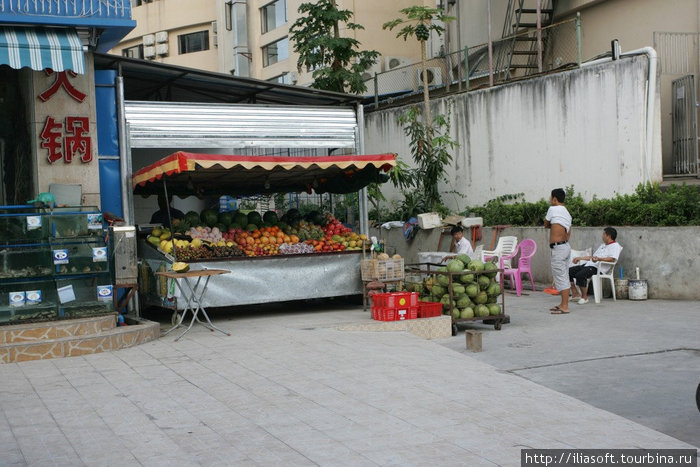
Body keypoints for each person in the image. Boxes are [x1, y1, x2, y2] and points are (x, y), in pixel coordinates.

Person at [569, 227, 622, 304]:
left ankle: (584, 297)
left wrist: (599, 259)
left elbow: (612, 259)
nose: (602, 236)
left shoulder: (615, 246)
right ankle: (575, 294)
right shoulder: (603, 245)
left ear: (608, 236)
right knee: (568, 272)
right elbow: (593, 257)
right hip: (589, 265)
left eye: (603, 234)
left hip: (598, 268)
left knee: (580, 275)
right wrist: (579, 258)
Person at [544, 188, 572, 314]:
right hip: (565, 246)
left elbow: (546, 224)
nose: (550, 200)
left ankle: (565, 306)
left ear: (555, 199)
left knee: (561, 277)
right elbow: (569, 231)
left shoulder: (553, 209)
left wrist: (552, 225)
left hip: (558, 248)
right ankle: (563, 304)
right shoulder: (567, 213)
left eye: (551, 198)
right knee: (564, 275)